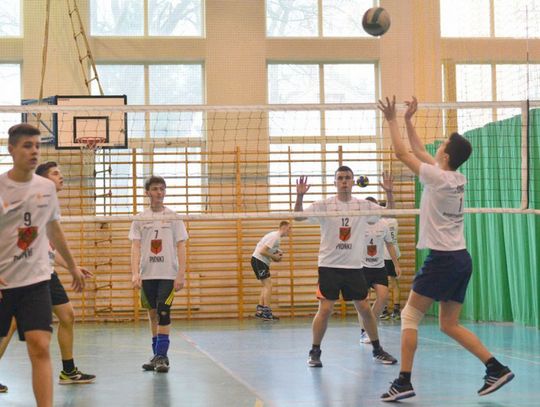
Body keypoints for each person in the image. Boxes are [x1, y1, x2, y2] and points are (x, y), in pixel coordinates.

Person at [377, 96, 514, 401]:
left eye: (442, 145)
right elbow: (418, 151)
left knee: (409, 316)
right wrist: (409, 120)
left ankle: (403, 381)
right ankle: (496, 367)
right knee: (448, 324)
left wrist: (391, 119)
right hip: (461, 258)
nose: (437, 146)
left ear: (447, 154)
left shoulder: (437, 178)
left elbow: (402, 153)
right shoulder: (455, 177)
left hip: (443, 259)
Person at [0, 123, 85, 407]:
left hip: (36, 281)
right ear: (11, 150)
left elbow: (54, 229)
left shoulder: (46, 188)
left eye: (37, 146)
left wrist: (72, 266)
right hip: (4, 281)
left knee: (40, 346)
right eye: (27, 146)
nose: (34, 151)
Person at [295, 166, 397, 368]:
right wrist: (299, 197)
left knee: (365, 308)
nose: (344, 181)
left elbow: (391, 213)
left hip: (354, 267)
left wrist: (389, 193)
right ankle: (314, 351)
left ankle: (377, 349)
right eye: (340, 178)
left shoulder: (362, 205)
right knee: (325, 309)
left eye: (347, 178)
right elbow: (297, 217)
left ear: (353, 182)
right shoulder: (324, 205)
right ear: (334, 182)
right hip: (329, 266)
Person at [130, 175, 188, 373]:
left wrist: (181, 274)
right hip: (147, 274)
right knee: (152, 313)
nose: (159, 193)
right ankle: (156, 355)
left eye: (162, 189)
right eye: (155, 189)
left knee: (164, 311)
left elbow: (181, 246)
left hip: (168, 274)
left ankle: (162, 356)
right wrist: (135, 273)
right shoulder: (140, 218)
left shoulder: (173, 217)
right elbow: (135, 247)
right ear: (147, 192)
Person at [358, 207, 401, 344]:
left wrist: (396, 264)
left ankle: (370, 325)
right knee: (363, 302)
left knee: (383, 297)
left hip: (379, 267)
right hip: (362, 267)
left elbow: (390, 245)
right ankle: (364, 331)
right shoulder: (359, 224)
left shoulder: (383, 224)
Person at [251, 221, 291, 320]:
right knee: (268, 285)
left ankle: (260, 311)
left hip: (261, 261)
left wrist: (277, 256)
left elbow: (270, 253)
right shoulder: (275, 237)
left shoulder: (276, 238)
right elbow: (262, 251)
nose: (290, 231)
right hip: (259, 260)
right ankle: (267, 313)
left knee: (266, 285)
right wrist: (274, 256)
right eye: (289, 228)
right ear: (284, 227)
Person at [379, 214, 402, 321]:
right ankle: (396, 310)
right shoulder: (395, 221)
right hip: (395, 254)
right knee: (395, 283)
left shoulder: (381, 222)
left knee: (383, 284)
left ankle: (384, 310)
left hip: (385, 254)